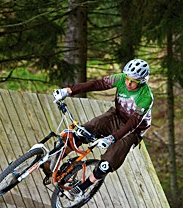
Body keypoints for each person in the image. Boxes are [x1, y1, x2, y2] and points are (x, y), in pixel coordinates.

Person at [52, 58, 154, 199]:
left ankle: (82, 188)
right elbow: (97, 84)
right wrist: (69, 90)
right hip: (116, 116)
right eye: (127, 79)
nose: (128, 83)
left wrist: (112, 138)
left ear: (142, 82)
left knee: (107, 163)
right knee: (82, 132)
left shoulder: (146, 97)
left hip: (132, 130)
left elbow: (133, 123)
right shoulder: (121, 78)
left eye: (133, 81)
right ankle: (54, 161)